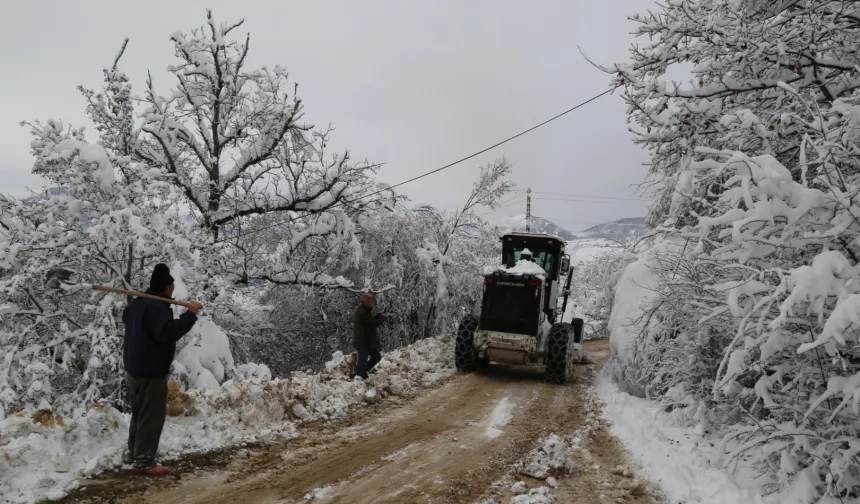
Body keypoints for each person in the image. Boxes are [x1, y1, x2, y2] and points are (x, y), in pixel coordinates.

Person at [122, 263, 203, 476]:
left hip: (133, 370)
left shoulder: (138, 304)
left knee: (139, 414)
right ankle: (144, 461)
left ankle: (134, 453)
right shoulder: (156, 307)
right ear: (166, 288)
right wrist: (190, 315)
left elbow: (126, 316)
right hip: (150, 371)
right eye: (172, 285)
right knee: (151, 416)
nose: (174, 289)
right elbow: (167, 333)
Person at [352, 292, 387, 379]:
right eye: (371, 302)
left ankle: (363, 371)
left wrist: (379, 316)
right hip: (363, 341)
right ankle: (357, 377)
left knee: (376, 357)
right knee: (362, 361)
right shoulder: (362, 312)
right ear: (366, 301)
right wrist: (382, 318)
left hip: (368, 341)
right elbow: (372, 324)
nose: (372, 304)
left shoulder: (364, 311)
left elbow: (370, 321)